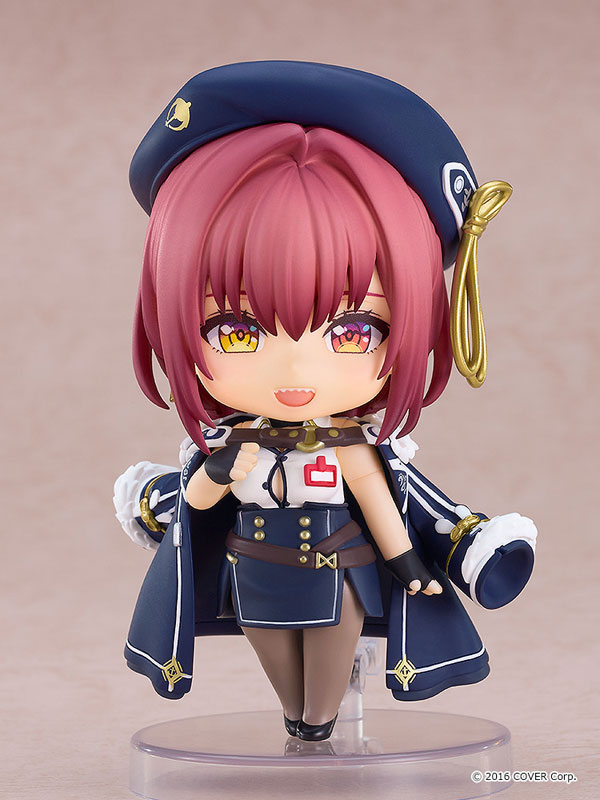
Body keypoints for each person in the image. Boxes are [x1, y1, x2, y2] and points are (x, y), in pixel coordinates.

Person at [114, 62, 537, 741]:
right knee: (275, 657)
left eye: (351, 331)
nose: (296, 368)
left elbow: (378, 497)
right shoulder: (233, 446)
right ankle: (300, 721)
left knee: (328, 671)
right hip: (255, 569)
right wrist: (215, 473)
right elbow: (195, 504)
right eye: (238, 331)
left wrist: (406, 563)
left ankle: (316, 723)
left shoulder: (348, 445)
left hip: (339, 567)